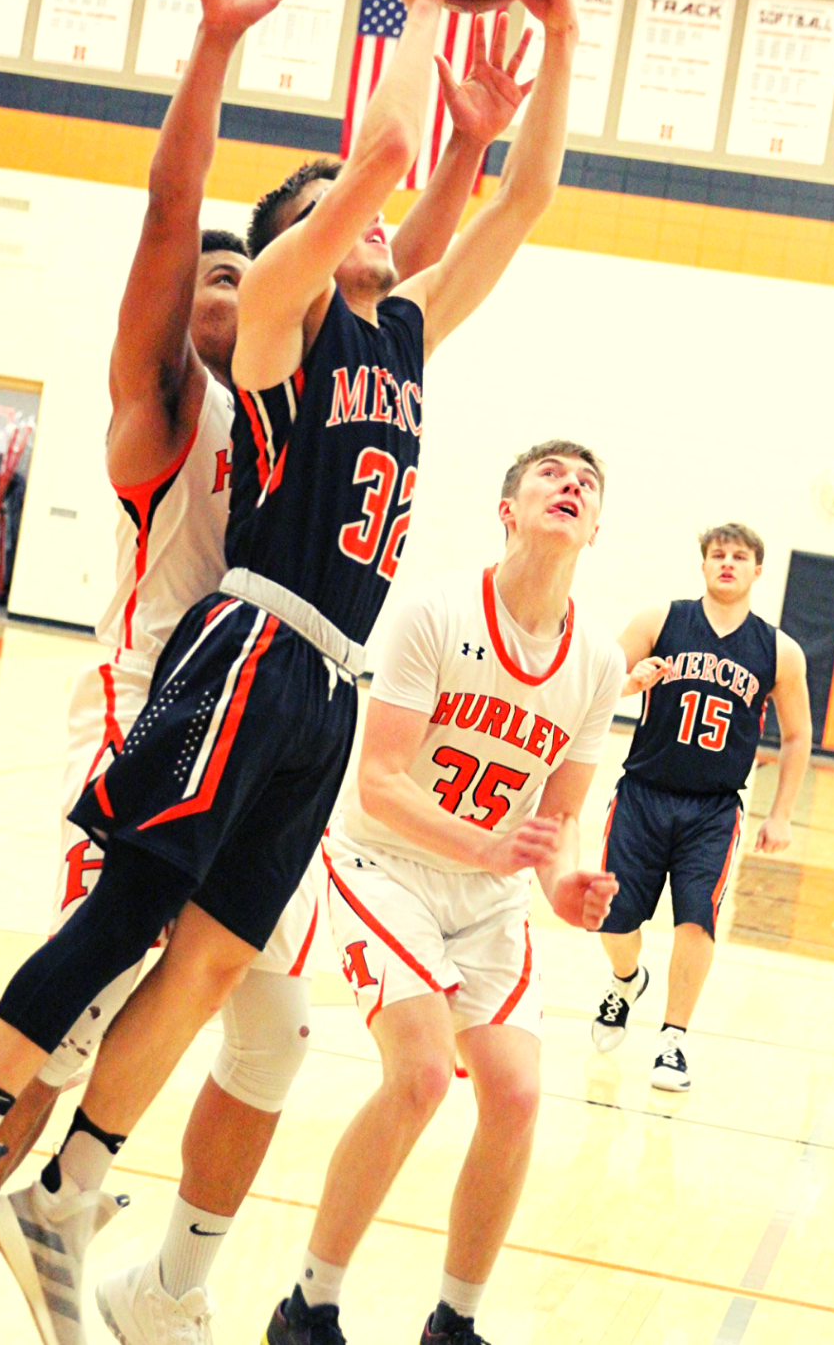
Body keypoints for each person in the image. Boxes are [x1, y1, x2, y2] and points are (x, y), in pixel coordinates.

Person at [0, 0, 576, 1345]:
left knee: (234, 988)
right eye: (336, 219)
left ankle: (93, 1223)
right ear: (293, 249)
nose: (376, 228)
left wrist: (512, 87)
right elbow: (354, 188)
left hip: (309, 692)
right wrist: (402, 4)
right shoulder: (222, 366)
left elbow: (467, 212)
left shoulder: (377, 335)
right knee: (113, 953)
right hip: (204, 665)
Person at [264, 441, 623, 1345]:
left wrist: (566, 880)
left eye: (586, 482)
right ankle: (309, 1303)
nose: (570, 484)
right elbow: (379, 781)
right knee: (421, 1075)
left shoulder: (599, 660)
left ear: (597, 526)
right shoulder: (434, 609)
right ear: (508, 508)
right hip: (385, 865)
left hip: (490, 893)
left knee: (515, 1095)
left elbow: (561, 815)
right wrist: (492, 846)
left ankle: (453, 1323)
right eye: (550, 473)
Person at [591, 522, 812, 1092]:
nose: (728, 564)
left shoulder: (778, 650)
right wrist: (629, 682)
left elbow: (796, 736)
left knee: (697, 918)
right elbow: (596, 683)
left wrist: (781, 813)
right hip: (642, 794)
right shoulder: (659, 620)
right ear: (704, 564)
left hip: (714, 809)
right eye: (718, 554)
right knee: (613, 920)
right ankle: (624, 982)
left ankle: (672, 1041)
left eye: (740, 557)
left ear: (757, 570)